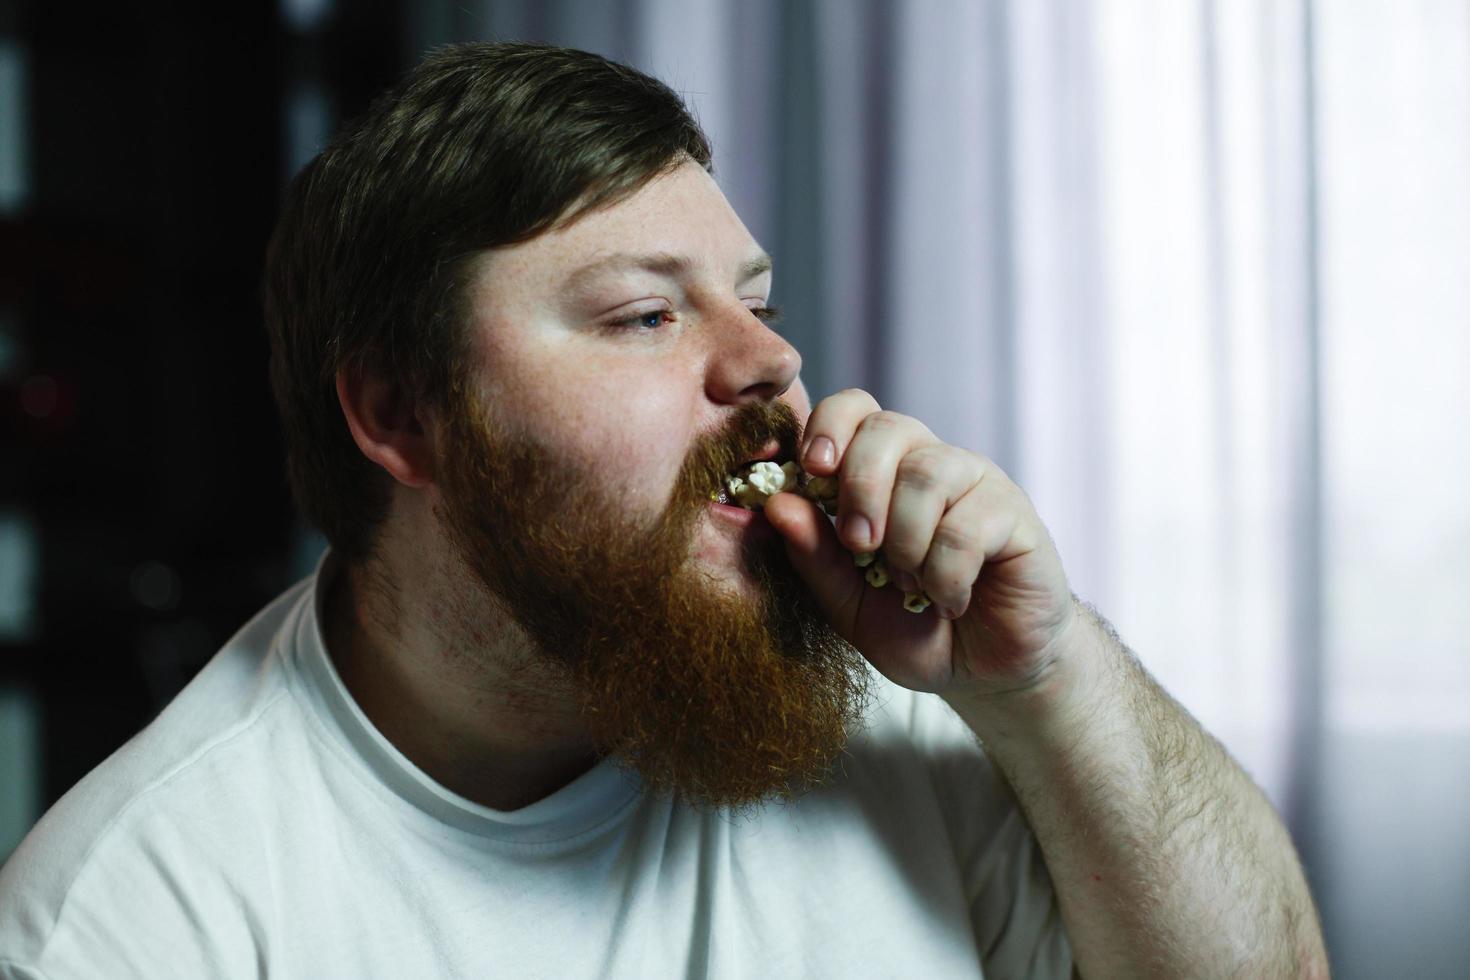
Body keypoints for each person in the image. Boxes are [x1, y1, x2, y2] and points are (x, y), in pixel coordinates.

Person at [0, 41, 1328, 978]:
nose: (769, 364)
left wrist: (1043, 676)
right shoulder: (134, 917)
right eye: (645, 314)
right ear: (402, 418)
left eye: (756, 300)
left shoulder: (883, 715)